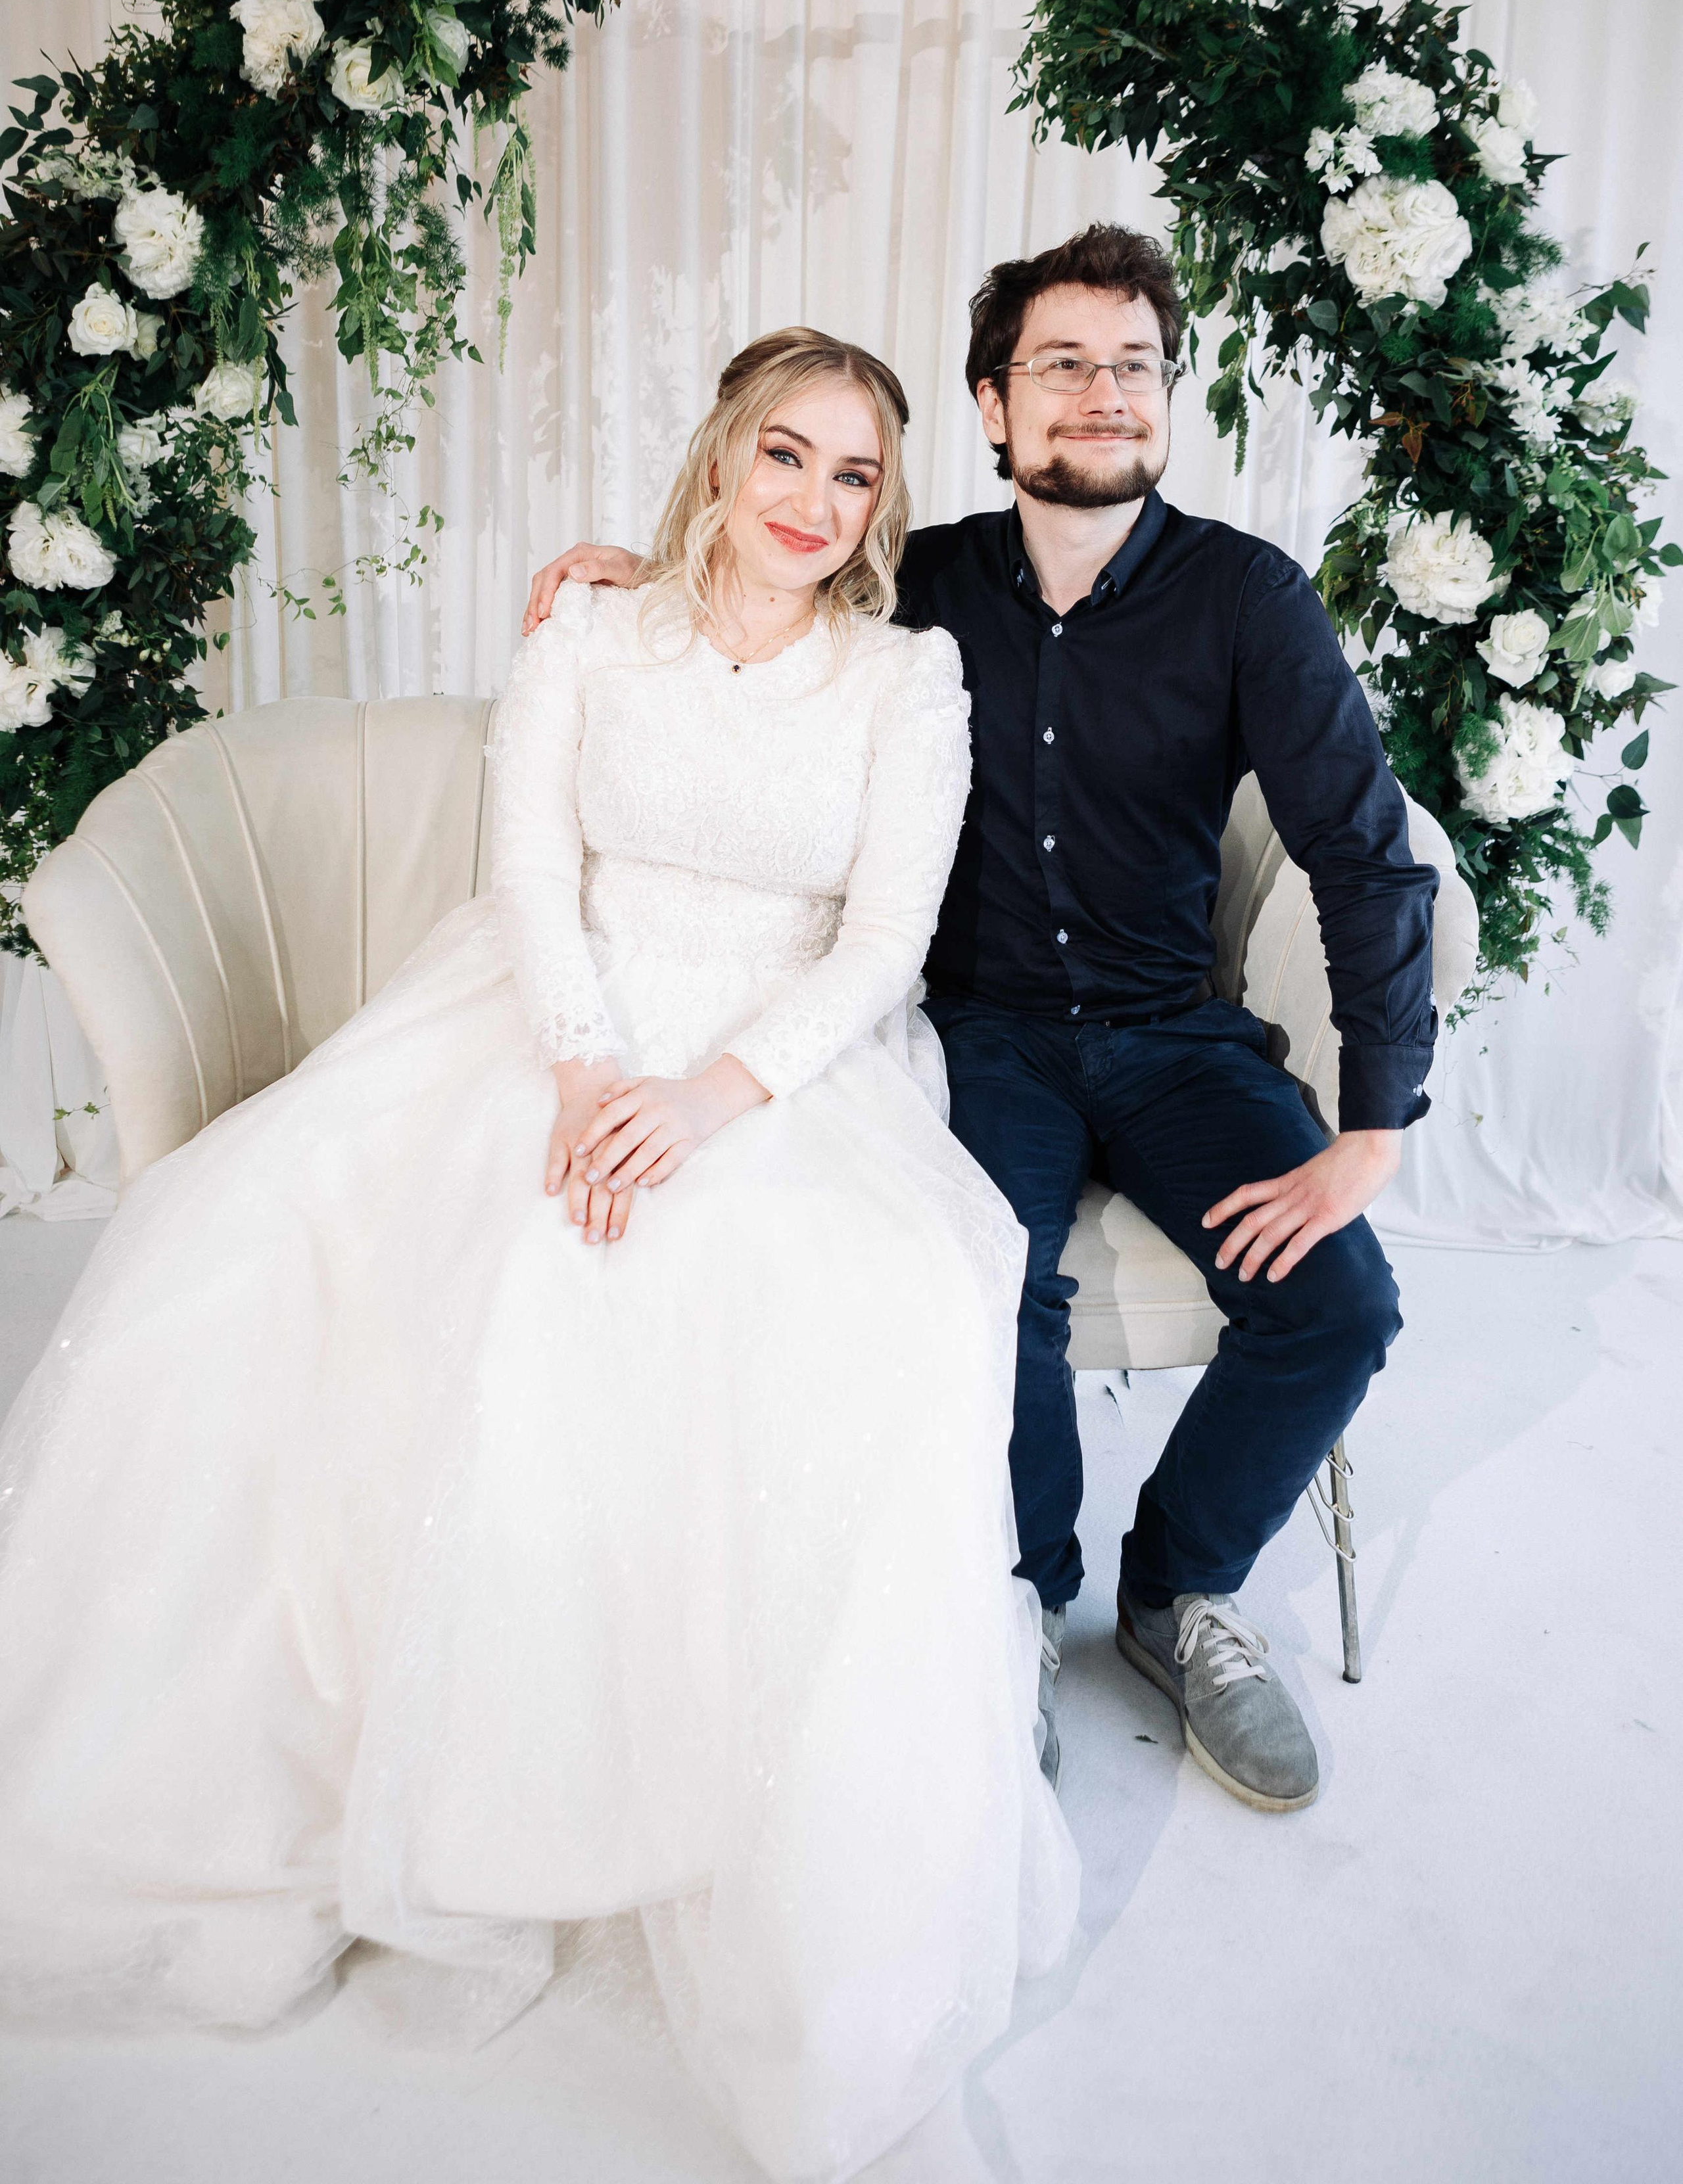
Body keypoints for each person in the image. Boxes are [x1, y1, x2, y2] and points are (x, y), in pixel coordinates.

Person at [0, 329, 1079, 2184]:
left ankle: (741, 1805)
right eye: (788, 459)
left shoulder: (910, 681)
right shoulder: (594, 630)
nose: (819, 505)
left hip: (780, 1058)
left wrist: (707, 1098)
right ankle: (425, 1792)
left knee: (857, 1304)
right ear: (724, 458)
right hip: (548, 1011)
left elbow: (883, 943)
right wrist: (589, 1068)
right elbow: (526, 870)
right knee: (317, 1246)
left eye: (856, 477)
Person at [525, 225, 1440, 1815]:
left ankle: (1177, 1595)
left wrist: (1373, 1127)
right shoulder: (921, 579)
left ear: (1167, 399)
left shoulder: (1247, 600)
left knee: (1341, 1306)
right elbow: (761, 571)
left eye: (1133, 366)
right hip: (987, 1031)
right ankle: (1017, 1598)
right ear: (992, 405)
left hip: (1172, 1031)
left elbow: (1360, 853)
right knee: (977, 1274)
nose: (1102, 393)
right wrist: (621, 562)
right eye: (1061, 365)